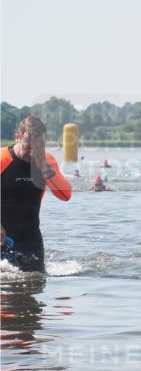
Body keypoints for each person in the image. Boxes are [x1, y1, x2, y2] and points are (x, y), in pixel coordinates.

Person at [0, 116, 73, 272]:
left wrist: (43, 166)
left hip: (30, 238)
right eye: (29, 147)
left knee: (34, 283)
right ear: (18, 137)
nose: (32, 153)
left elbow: (65, 195)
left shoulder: (47, 161)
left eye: (38, 147)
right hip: (2, 234)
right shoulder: (2, 159)